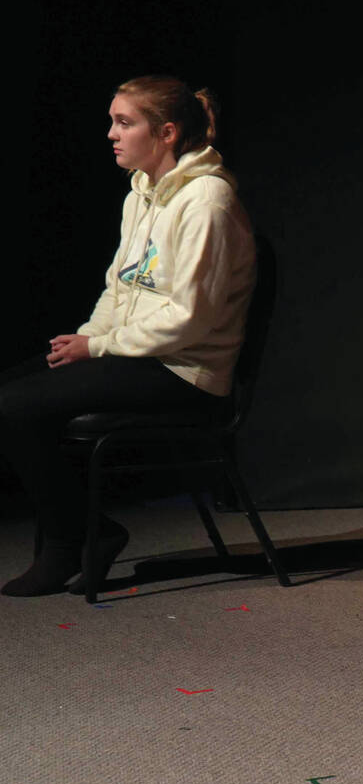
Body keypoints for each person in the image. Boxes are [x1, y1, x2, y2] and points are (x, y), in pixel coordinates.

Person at [1, 76, 256, 597]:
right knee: (11, 390)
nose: (112, 134)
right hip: (141, 356)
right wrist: (87, 338)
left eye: (124, 122)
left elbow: (192, 319)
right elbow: (119, 288)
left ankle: (76, 539)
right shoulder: (139, 194)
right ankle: (78, 534)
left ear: (165, 132)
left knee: (15, 405)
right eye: (113, 121)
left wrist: (98, 348)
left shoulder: (206, 201)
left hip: (185, 372)